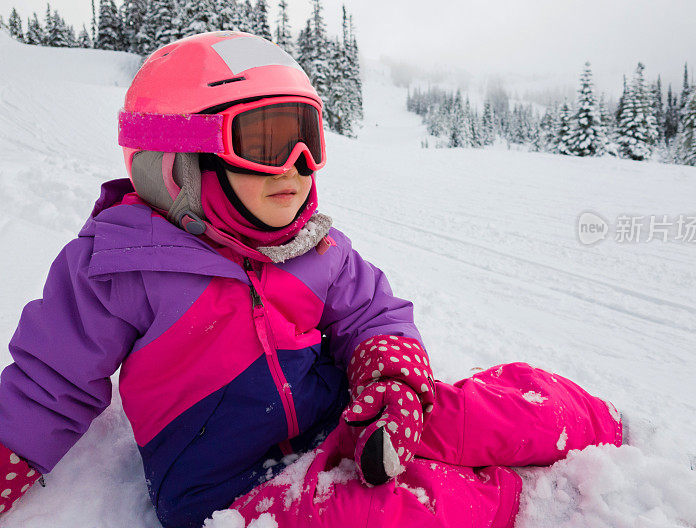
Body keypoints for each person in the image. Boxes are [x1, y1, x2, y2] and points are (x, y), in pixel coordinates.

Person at [0, 31, 623, 528]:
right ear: (177, 164)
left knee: (491, 411)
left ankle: (603, 427)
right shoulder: (117, 268)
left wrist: (390, 381)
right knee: (390, 514)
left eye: (307, 138)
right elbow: (47, 385)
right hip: (234, 489)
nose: (296, 167)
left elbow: (372, 314)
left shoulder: (313, 248)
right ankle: (528, 498)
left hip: (344, 419)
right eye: (266, 141)